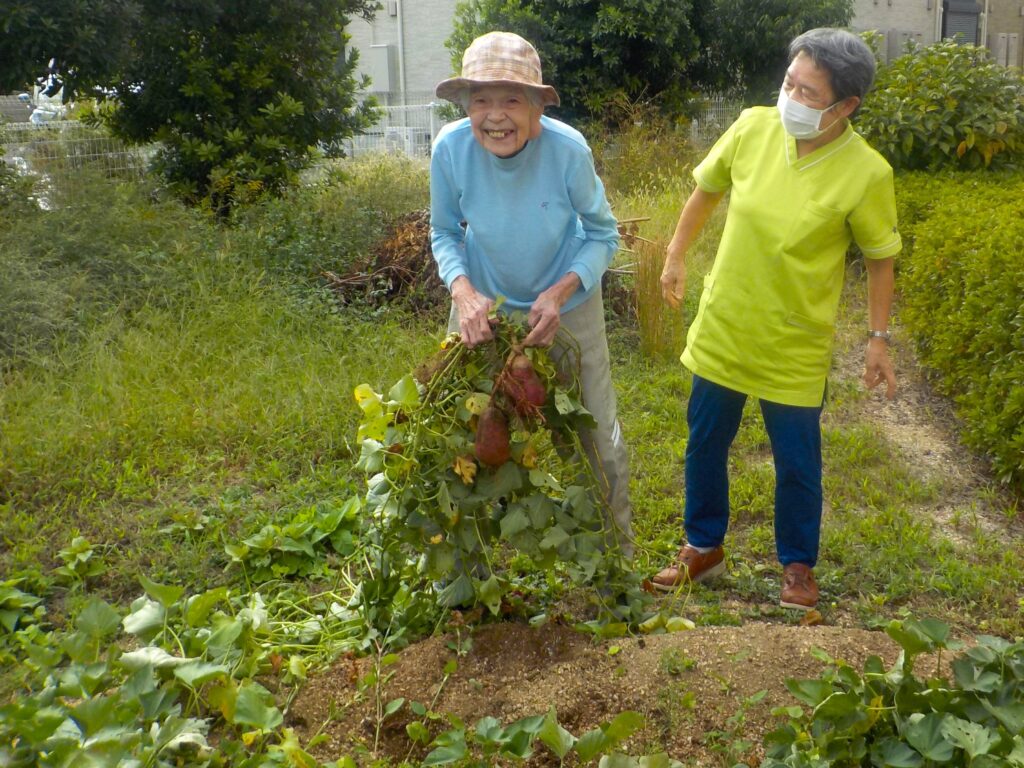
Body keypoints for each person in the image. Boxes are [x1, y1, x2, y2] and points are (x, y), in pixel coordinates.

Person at [652, 28, 901, 610]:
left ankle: (796, 564)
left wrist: (878, 340)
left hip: (794, 340)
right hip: (727, 323)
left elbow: (881, 259)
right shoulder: (753, 127)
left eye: (808, 92)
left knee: (796, 460)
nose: (789, 97)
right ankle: (703, 546)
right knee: (705, 441)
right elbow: (705, 191)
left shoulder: (867, 172)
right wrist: (674, 256)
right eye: (789, 82)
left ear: (846, 107)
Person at [430, 31, 633, 556]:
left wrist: (562, 291)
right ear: (464, 106)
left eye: (511, 99)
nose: (495, 116)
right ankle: (467, 572)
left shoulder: (567, 151)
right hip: (482, 306)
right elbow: (445, 232)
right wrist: (463, 292)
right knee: (463, 436)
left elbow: (603, 233)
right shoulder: (449, 149)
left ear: (539, 107)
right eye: (480, 100)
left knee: (591, 436)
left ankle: (614, 566)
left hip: (565, 303)